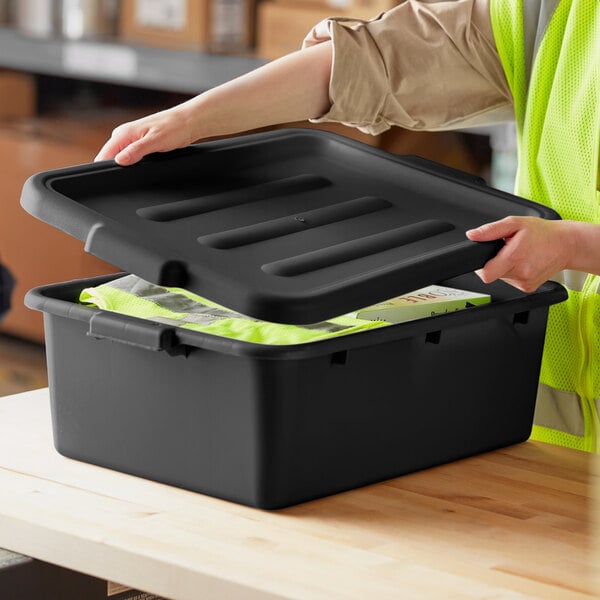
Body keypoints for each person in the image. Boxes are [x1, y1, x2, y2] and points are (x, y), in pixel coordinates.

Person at [96, 0, 599, 453]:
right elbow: (379, 62)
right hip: (554, 424)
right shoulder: (550, 9)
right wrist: (192, 119)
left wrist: (575, 245)